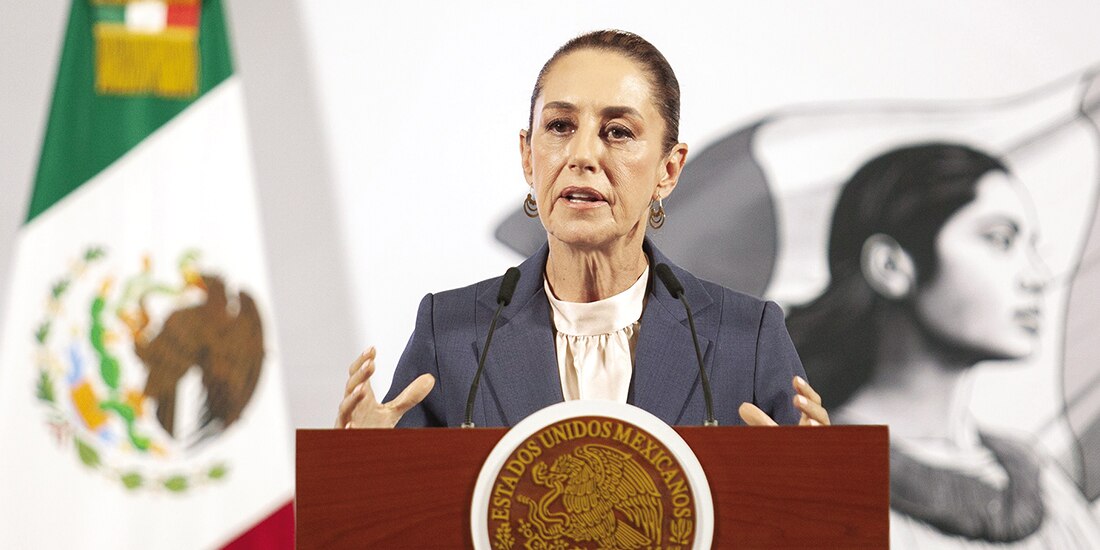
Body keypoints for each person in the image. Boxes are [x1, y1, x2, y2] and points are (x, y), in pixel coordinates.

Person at [335, 30, 829, 430]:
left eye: (618, 132)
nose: (582, 156)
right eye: (560, 127)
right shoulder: (452, 334)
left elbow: (817, 522)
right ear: (528, 156)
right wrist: (362, 470)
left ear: (669, 170)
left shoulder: (747, 337)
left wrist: (818, 489)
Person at [786, 143, 1100, 547]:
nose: (1038, 276)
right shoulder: (813, 477)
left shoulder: (1040, 480)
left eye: (1032, 248)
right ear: (891, 265)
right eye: (1000, 240)